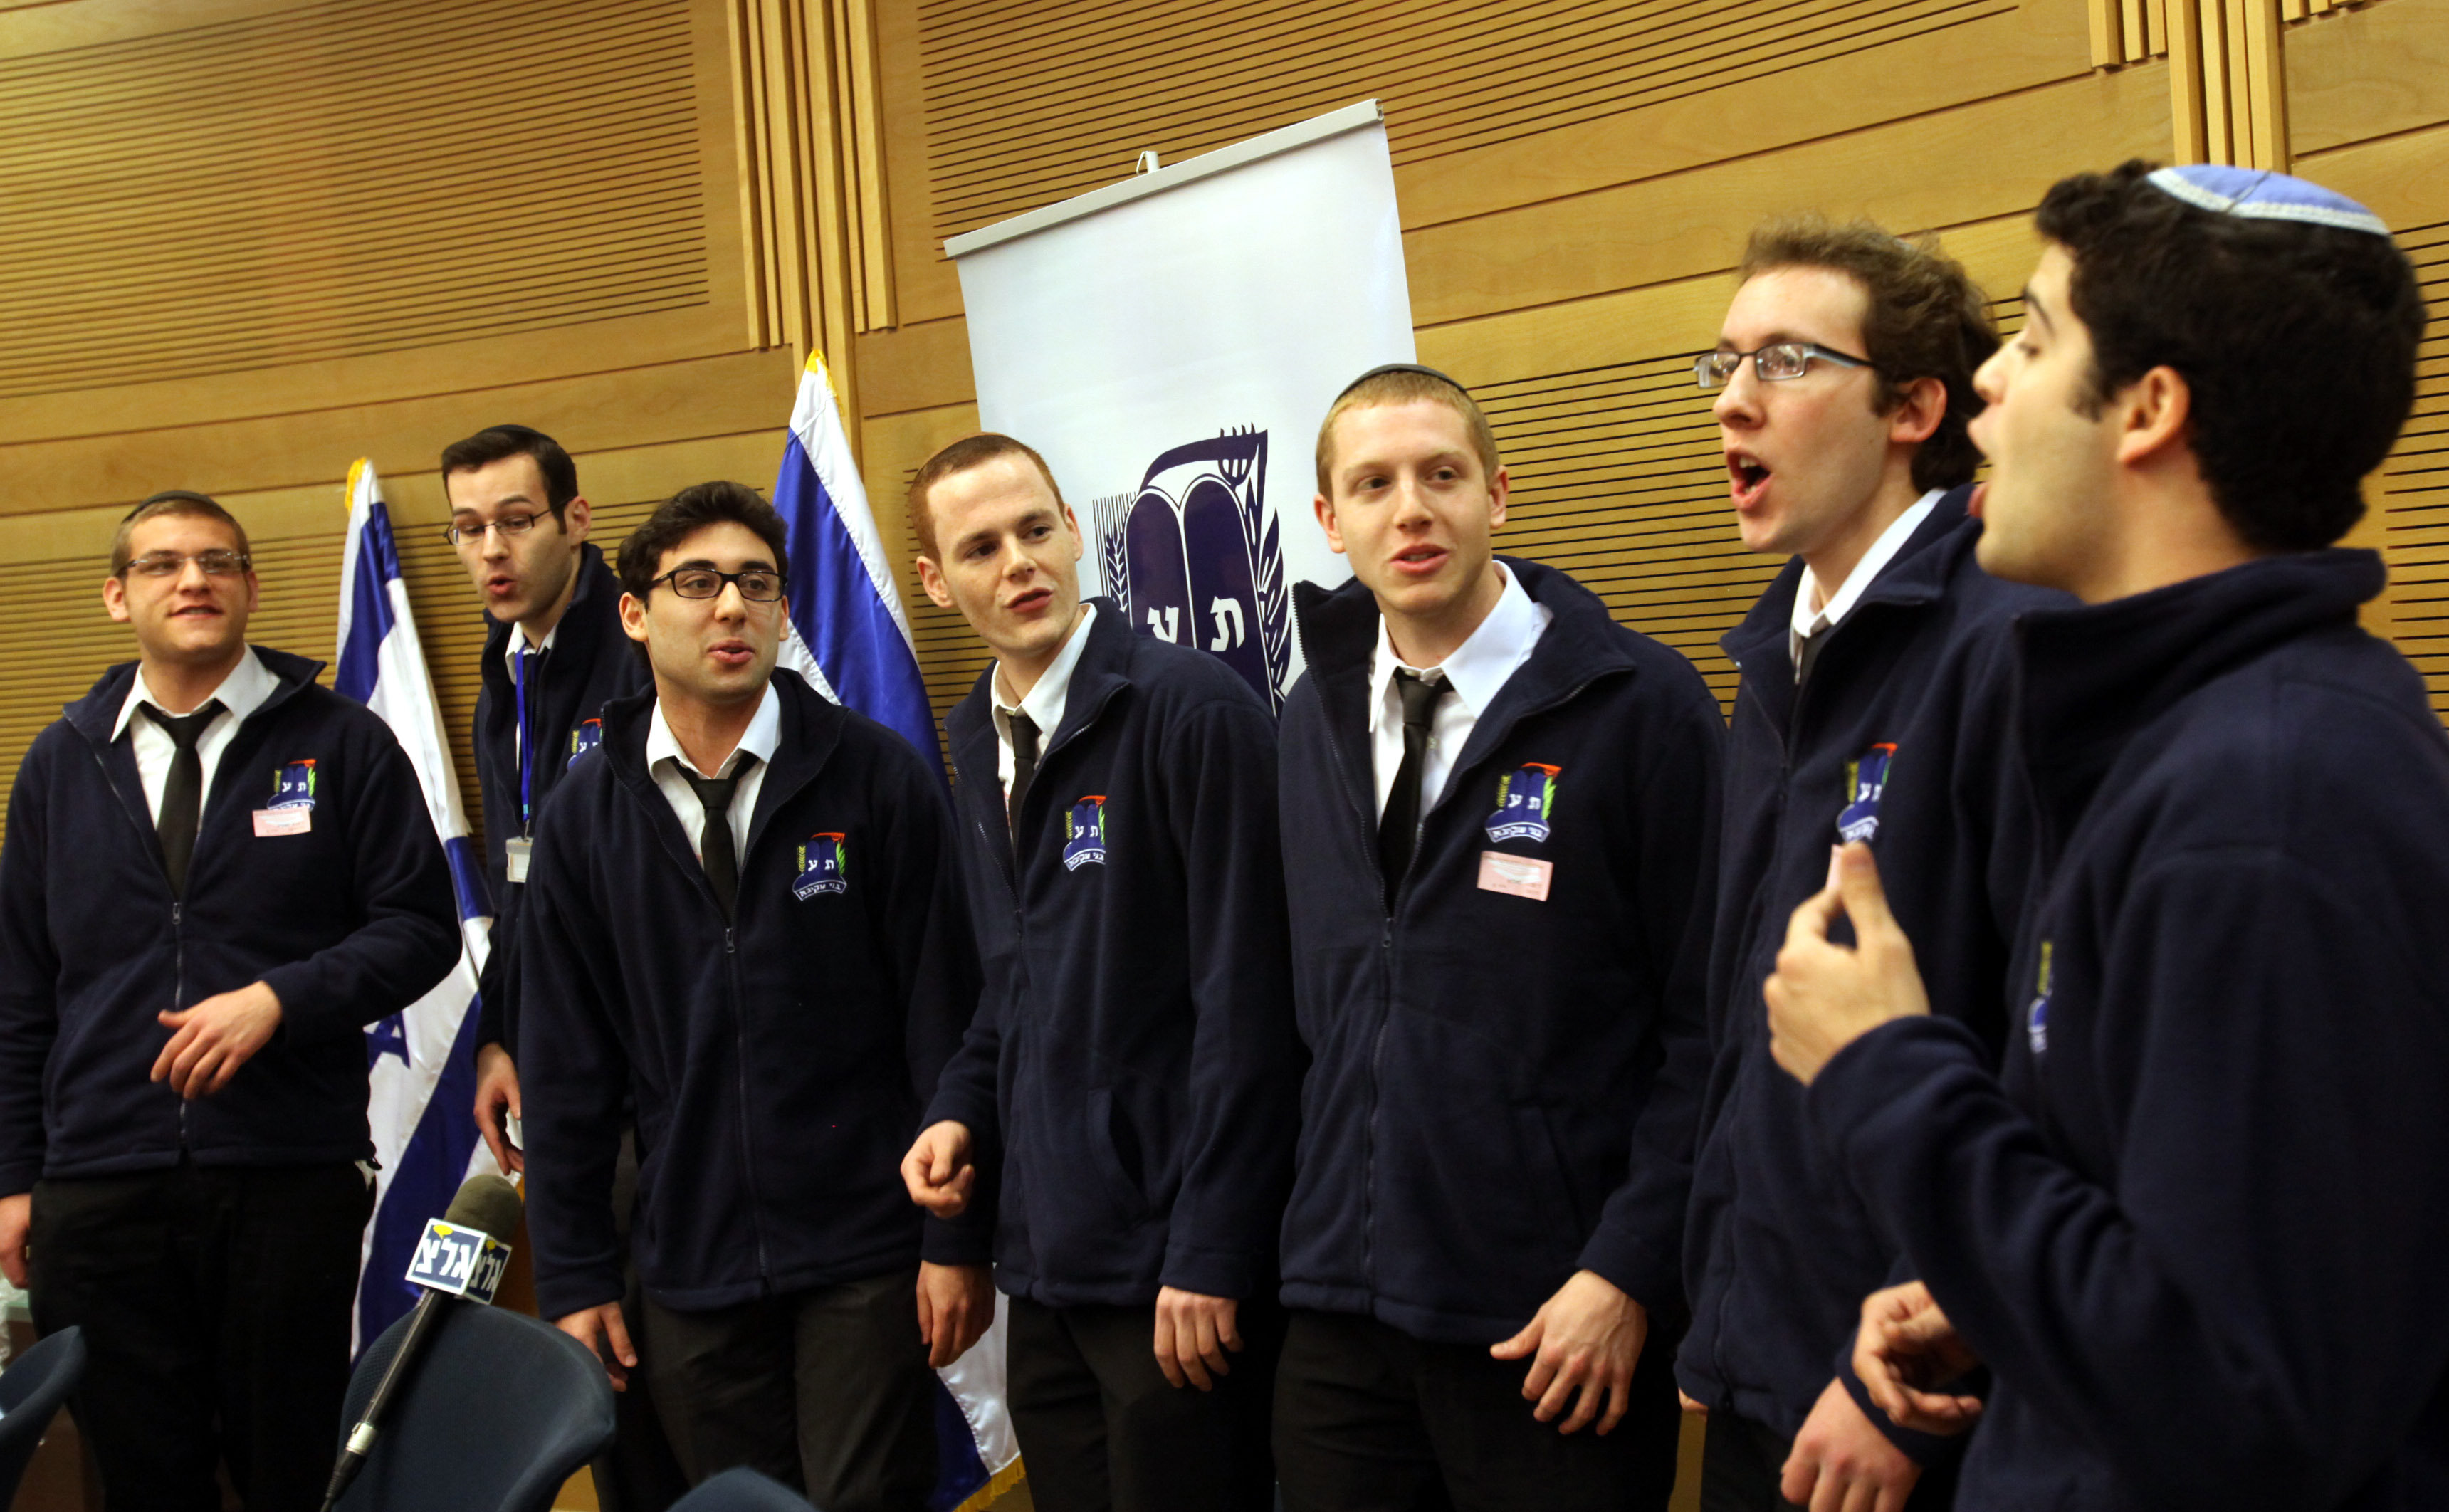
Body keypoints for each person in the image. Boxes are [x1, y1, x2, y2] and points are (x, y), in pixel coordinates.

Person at [1763, 162, 2449, 1510]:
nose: (1990, 390)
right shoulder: (2192, 744)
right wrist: (1991, 1294)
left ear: (2149, 409)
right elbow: (2198, 1260)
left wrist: (1889, 1073)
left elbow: (2248, 1404)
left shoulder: (2265, 807)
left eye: (2032, 338)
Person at [1270, 365, 1722, 1511]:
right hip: (1337, 1314)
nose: (1410, 510)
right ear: (1328, 521)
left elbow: (1711, 1026)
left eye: (1441, 475)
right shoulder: (1307, 713)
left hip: (1552, 1326)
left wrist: (1630, 1270)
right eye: (1371, 484)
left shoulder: (1642, 706)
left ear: (1499, 495)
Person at [1676, 220, 2063, 1512]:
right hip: (1758, 1366)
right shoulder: (1769, 665)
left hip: (1913, 1399)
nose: (1732, 398)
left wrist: (1927, 1370)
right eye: (1723, 363)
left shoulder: (2007, 645)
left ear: (1913, 407)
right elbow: (1741, 1031)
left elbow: (2052, 1064)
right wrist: (1711, 1291)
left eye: (1783, 361)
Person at [516, 482, 989, 1511]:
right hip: (690, 1262)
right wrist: (578, 1278)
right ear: (636, 613)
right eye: (697, 583)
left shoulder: (877, 777)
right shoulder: (584, 814)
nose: (731, 608)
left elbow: (946, 1023)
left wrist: (954, 1243)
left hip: (865, 1251)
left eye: (756, 585)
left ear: (783, 613)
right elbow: (564, 1068)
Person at [0, 490, 461, 1511]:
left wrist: (278, 1001)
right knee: (140, 1478)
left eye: (217, 561)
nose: (193, 580)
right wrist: (13, 1179)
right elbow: (21, 990)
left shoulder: (343, 744)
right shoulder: (59, 763)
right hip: (99, 1188)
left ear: (250, 588)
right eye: (163, 565)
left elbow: (421, 928)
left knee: (289, 1471)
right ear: (119, 597)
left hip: (285, 1175)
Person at [898, 434, 1301, 1512]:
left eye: (1036, 530)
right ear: (935, 583)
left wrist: (1212, 1247)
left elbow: (1252, 1010)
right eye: (980, 547)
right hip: (1046, 1265)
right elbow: (1012, 988)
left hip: (1176, 1275)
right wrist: (955, 1116)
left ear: (1077, 532)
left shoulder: (1192, 710)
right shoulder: (972, 737)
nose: (1019, 562)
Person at [440, 423, 676, 1511]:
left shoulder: (637, 657)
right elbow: (518, 885)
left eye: (517, 521)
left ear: (578, 521)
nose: (493, 550)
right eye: (469, 529)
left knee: (666, 1361)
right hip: (556, 1067)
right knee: (606, 1371)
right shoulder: (508, 668)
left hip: (655, 1070)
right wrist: (499, 1028)